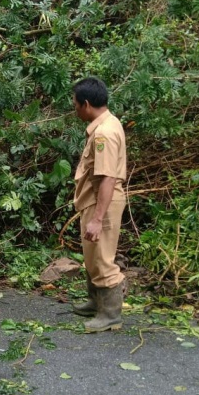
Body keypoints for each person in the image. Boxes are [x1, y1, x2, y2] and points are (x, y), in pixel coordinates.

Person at [70, 77, 127, 333]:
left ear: (85, 104)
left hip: (101, 201)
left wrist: (97, 218)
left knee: (102, 258)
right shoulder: (108, 123)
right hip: (95, 200)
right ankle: (96, 301)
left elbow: (107, 177)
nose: (74, 109)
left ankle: (111, 314)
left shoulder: (104, 133)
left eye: (75, 104)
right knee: (93, 256)